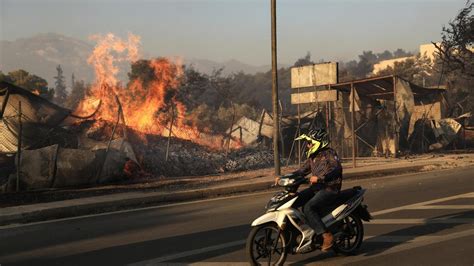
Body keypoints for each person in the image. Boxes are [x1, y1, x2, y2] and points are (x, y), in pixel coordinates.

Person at [292, 128, 343, 252]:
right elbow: (301, 171)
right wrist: (285, 178)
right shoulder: (312, 156)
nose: (308, 145)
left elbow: (336, 169)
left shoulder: (329, 153)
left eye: (310, 142)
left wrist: (321, 178)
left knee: (308, 207)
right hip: (316, 188)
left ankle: (326, 235)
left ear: (319, 142)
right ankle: (303, 231)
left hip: (330, 188)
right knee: (293, 200)